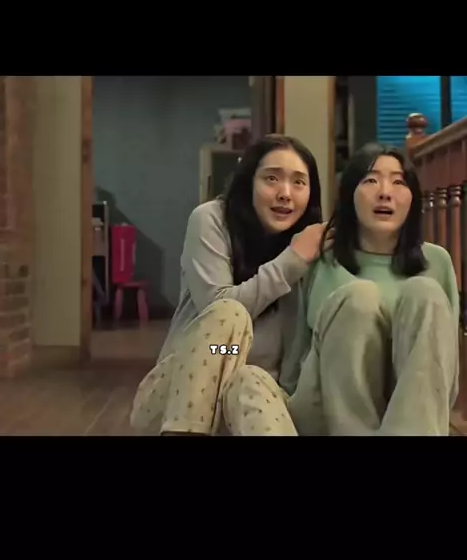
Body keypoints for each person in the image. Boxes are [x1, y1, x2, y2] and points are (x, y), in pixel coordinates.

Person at [130, 134, 328, 435]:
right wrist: (291, 261)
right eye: (272, 178)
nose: (285, 193)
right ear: (248, 181)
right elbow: (216, 310)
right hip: (181, 393)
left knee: (250, 378)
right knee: (228, 314)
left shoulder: (312, 249)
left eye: (299, 182)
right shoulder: (210, 220)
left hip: (252, 406)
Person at [282, 142, 460, 436]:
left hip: (413, 420)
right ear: (350, 194)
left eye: (399, 182)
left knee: (424, 292)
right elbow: (294, 357)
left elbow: (443, 371)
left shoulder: (437, 262)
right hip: (326, 413)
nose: (385, 192)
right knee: (359, 297)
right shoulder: (318, 257)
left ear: (412, 198)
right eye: (371, 180)